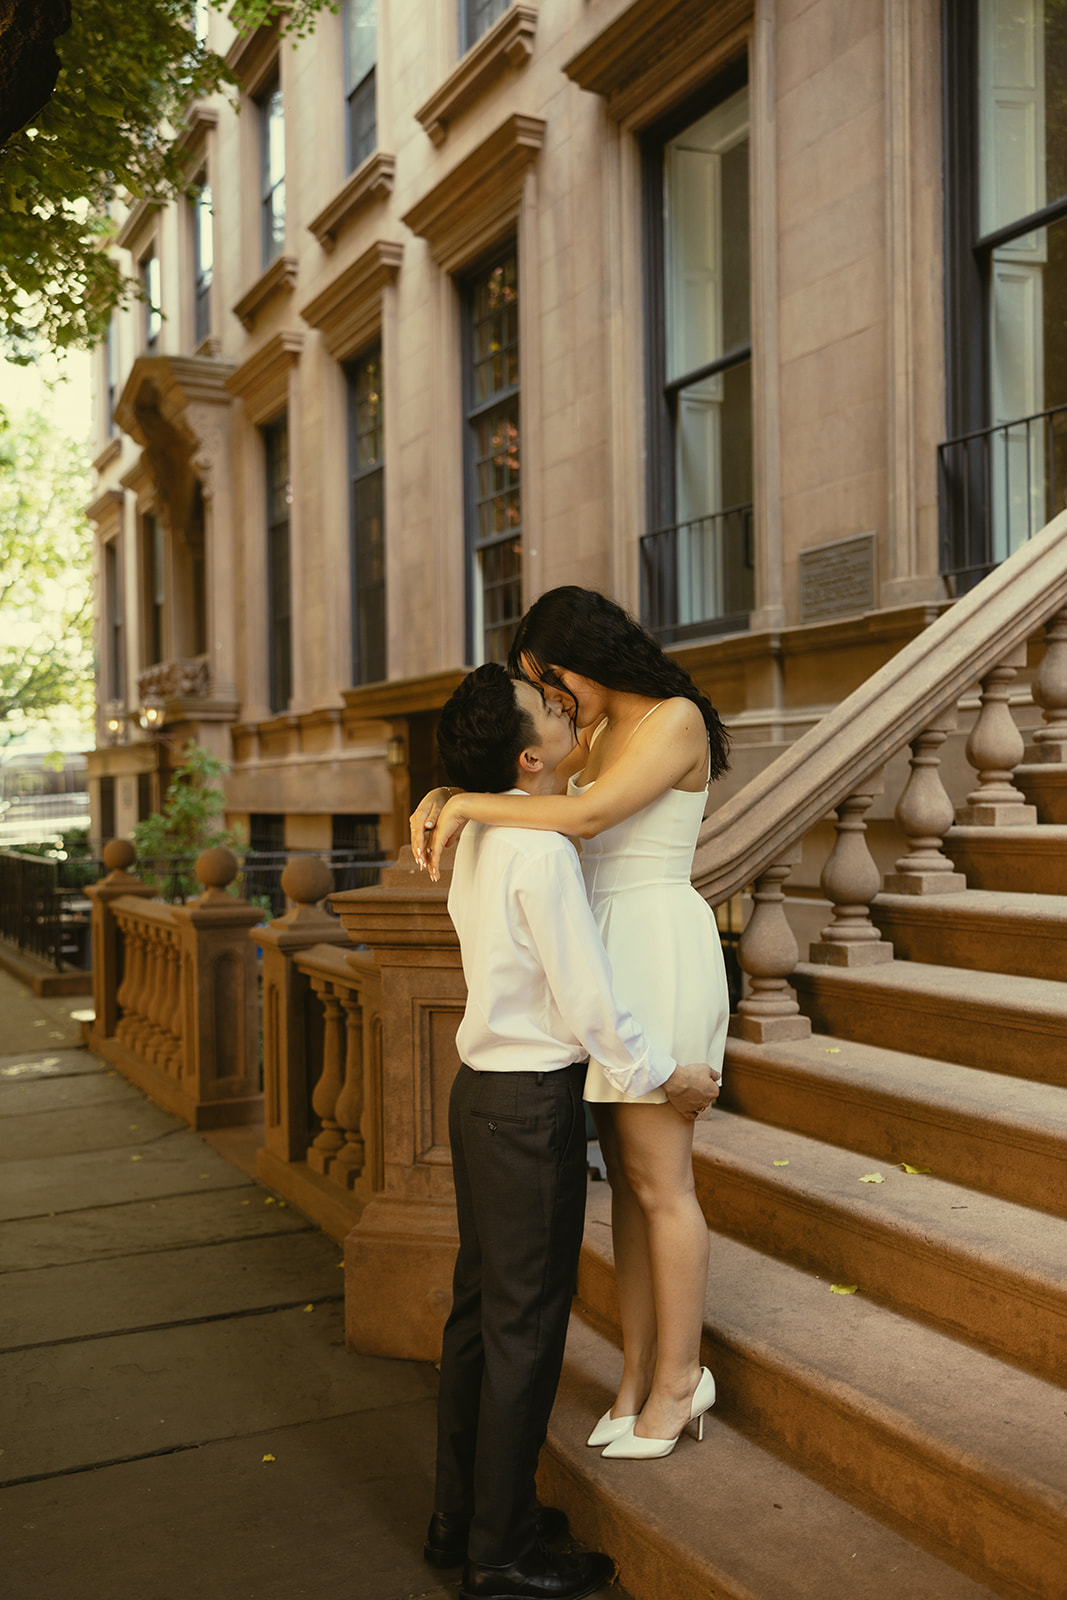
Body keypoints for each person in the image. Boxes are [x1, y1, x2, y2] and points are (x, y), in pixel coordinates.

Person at [413, 587, 731, 1463]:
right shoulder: (586, 738)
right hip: (602, 953)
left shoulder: (674, 720)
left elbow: (583, 817)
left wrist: (464, 801)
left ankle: (681, 1378)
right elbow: (536, 785)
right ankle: (637, 1372)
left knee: (662, 1182)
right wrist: (456, 785)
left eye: (551, 680)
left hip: (656, 944)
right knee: (627, 1183)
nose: (555, 702)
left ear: (584, 655)